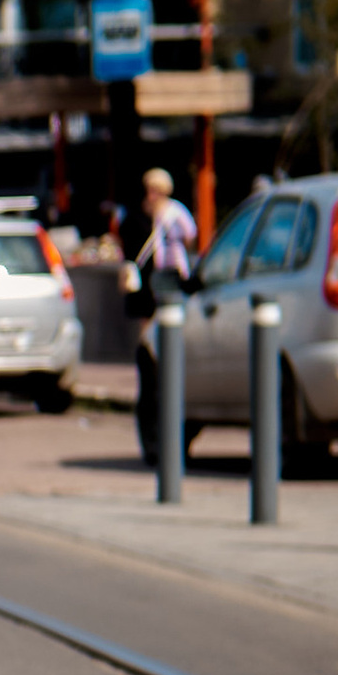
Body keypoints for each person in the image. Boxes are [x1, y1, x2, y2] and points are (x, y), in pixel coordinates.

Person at [127, 164, 198, 462]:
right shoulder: (140, 216)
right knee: (150, 352)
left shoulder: (174, 212)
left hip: (173, 279)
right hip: (149, 287)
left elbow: (191, 236)